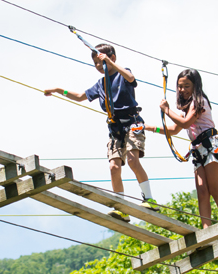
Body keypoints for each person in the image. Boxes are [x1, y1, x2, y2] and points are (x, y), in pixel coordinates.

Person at [44, 44, 155, 222]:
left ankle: (149, 199)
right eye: (95, 64)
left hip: (132, 123)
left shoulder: (122, 73)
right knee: (113, 167)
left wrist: (109, 62)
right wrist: (58, 90)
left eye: (101, 62)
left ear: (113, 58)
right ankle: (120, 207)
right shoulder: (100, 84)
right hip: (115, 129)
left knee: (133, 161)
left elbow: (132, 78)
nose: (98, 66)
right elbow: (81, 96)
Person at [145, 68, 218, 228]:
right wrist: (151, 128)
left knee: (214, 189)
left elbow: (185, 123)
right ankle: (206, 229)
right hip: (199, 150)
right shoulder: (188, 108)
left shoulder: (199, 102)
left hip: (211, 146)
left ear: (195, 86)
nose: (182, 90)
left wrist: (167, 110)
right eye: (179, 86)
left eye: (186, 86)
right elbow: (174, 129)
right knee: (202, 192)